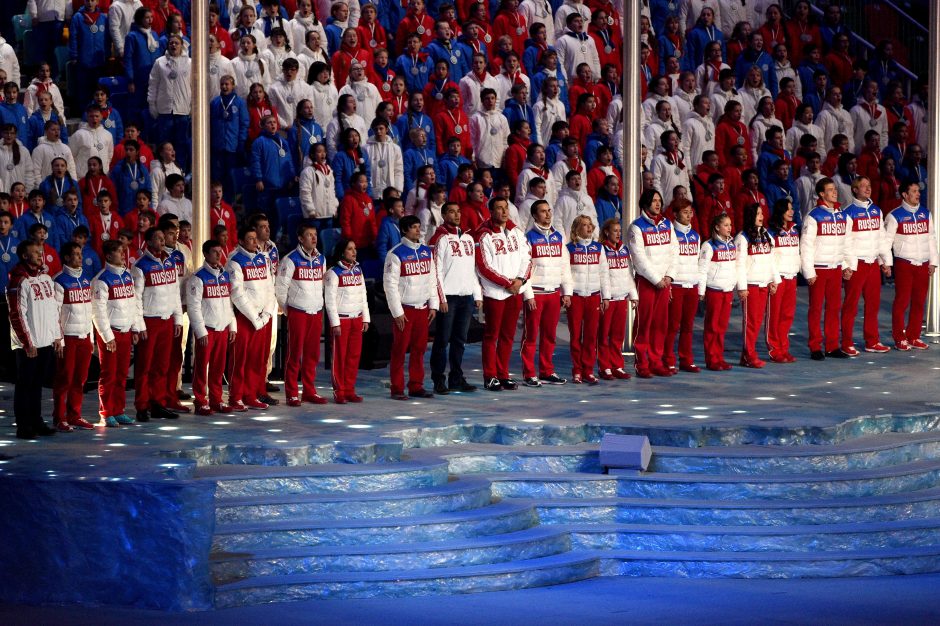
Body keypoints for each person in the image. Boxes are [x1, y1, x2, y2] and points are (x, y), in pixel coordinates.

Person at [475, 196, 530, 391]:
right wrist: (508, 283)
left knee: (508, 336)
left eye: (505, 207)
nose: (504, 211)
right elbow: (483, 267)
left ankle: (503, 374)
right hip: (495, 293)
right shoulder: (484, 235)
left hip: (514, 291)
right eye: (499, 208)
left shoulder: (516, 231)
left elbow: (527, 258)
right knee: (492, 335)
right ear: (491, 212)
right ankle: (490, 376)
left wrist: (520, 281)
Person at [7, 240, 61, 439]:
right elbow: (17, 315)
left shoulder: (46, 278)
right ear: (24, 256)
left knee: (37, 384)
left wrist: (56, 335)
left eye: (41, 251)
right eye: (36, 252)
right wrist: (27, 342)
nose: (40, 255)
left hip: (45, 341)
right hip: (28, 344)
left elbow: (52, 309)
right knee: (25, 386)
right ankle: (24, 426)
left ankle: (36, 421)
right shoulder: (19, 281)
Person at [132, 227, 184, 422]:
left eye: (164, 238)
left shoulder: (170, 262)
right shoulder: (140, 266)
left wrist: (177, 318)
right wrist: (140, 325)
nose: (163, 241)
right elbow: (136, 298)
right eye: (158, 238)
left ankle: (158, 404)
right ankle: (142, 406)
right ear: (148, 242)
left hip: (167, 320)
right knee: (145, 366)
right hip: (149, 321)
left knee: (162, 366)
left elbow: (175, 292)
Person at [383, 215, 438, 400]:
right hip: (405, 310)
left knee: (420, 348)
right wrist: (397, 312)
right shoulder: (395, 254)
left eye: (418, 226)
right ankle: (397, 388)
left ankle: (416, 385)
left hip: (422, 309)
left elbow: (432, 279)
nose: (418, 230)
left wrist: (433, 305)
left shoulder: (425, 251)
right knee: (399, 349)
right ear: (405, 230)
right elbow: (390, 285)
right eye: (414, 227)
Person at [428, 202, 481, 394]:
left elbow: (472, 268)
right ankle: (438, 379)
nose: (457, 215)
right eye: (452, 212)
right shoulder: (439, 238)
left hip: (466, 297)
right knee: (442, 340)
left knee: (460, 340)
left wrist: (477, 293)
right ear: (443, 215)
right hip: (448, 297)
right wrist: (440, 298)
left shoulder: (467, 237)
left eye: (459, 211)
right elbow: (436, 271)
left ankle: (456, 378)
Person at [882, 182, 939, 351]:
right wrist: (886, 263)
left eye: (918, 191)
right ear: (905, 195)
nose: (918, 194)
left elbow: (931, 238)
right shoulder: (894, 216)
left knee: (919, 301)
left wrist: (933, 261)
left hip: (922, 264)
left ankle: (914, 336)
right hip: (904, 264)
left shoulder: (925, 213)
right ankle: (899, 337)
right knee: (902, 301)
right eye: (913, 191)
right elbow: (886, 242)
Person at [519, 199, 571, 387]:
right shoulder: (528, 238)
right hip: (537, 295)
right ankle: (529, 373)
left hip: (554, 293)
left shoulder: (558, 237)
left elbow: (564, 266)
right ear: (534, 215)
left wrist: (567, 291)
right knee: (531, 335)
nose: (548, 214)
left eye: (549, 210)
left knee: (549, 335)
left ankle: (547, 371)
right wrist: (529, 295)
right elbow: (524, 268)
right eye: (543, 211)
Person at [627, 189, 678, 378]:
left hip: (665, 282)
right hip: (647, 282)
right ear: (645, 203)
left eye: (659, 200)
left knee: (660, 323)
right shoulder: (636, 227)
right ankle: (642, 363)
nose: (657, 204)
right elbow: (638, 258)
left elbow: (674, 250)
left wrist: (669, 277)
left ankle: (656, 361)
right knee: (644, 323)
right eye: (654, 200)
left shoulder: (667, 224)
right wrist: (656, 279)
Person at [276, 223, 328, 406]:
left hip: (316, 312)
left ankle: (309, 390)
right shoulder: (290, 260)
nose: (314, 238)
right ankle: (291, 393)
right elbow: (280, 289)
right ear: (300, 238)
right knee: (294, 353)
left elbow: (321, 286)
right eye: (309, 235)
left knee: (312, 354)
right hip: (298, 312)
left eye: (315, 234)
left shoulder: (321, 259)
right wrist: (288, 310)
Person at [226, 225, 275, 410]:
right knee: (240, 360)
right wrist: (255, 318)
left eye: (256, 238)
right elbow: (237, 293)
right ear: (241, 241)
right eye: (251, 239)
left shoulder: (263, 259)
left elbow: (270, 287)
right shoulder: (234, 261)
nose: (255, 242)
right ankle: (236, 396)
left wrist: (267, 313)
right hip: (245, 318)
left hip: (262, 318)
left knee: (257, 359)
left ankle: (251, 394)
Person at [186, 239, 237, 415]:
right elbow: (193, 307)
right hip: (207, 329)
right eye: (214, 252)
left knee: (218, 367)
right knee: (201, 367)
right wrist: (200, 331)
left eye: (219, 251)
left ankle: (216, 400)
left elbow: (229, 303)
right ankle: (200, 401)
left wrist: (232, 326)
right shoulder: (197, 278)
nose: (218, 254)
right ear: (205, 254)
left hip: (222, 328)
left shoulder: (224, 275)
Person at [841, 176, 890, 356]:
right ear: (854, 189)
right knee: (851, 305)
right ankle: (846, 342)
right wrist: (846, 265)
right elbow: (844, 242)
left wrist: (885, 261)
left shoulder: (877, 211)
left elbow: (882, 238)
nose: (867, 189)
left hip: (873, 264)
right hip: (856, 264)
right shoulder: (848, 212)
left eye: (869, 185)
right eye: (863, 186)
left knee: (873, 304)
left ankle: (872, 341)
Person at [801, 177, 848, 360]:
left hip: (835, 268)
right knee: (816, 308)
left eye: (835, 189)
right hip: (819, 269)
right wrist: (809, 271)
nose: (834, 192)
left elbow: (845, 243)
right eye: (830, 189)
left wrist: (845, 265)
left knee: (834, 307)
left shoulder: (841, 214)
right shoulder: (814, 216)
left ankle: (832, 345)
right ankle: (815, 346)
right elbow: (805, 245)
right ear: (822, 193)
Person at [325, 237, 370, 403]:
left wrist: (365, 318)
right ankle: (340, 391)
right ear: (342, 252)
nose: (354, 252)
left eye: (355, 248)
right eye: (350, 249)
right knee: (340, 357)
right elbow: (329, 300)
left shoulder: (358, 270)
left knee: (353, 356)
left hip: (356, 319)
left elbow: (363, 295)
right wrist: (335, 323)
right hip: (342, 321)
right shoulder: (333, 273)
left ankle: (350, 389)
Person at [566, 214, 609, 384]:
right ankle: (577, 370)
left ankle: (588, 370)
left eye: (590, 224)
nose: (589, 228)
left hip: (593, 296)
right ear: (577, 228)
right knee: (576, 335)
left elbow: (604, 274)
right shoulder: (569, 248)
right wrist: (567, 294)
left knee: (591, 336)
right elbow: (566, 273)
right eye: (584, 225)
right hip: (576, 297)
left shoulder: (599, 248)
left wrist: (605, 296)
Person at [736, 202, 780, 368]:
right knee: (751, 322)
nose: (761, 217)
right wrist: (742, 287)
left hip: (763, 284)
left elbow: (771, 260)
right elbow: (739, 264)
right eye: (758, 214)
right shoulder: (742, 238)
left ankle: (745, 355)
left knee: (757, 321)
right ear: (750, 216)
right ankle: (749, 355)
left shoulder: (766, 235)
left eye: (762, 213)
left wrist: (773, 280)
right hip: (750, 285)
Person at [697, 213, 740, 371]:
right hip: (714, 290)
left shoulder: (732, 244)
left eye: (730, 224)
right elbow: (702, 270)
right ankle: (711, 358)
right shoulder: (708, 246)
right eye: (726, 225)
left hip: (727, 291)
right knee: (712, 326)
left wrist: (733, 284)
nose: (729, 228)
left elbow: (733, 266)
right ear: (717, 227)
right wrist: (701, 292)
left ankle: (719, 357)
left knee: (722, 326)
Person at [664, 200, 701, 374]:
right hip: (677, 284)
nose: (689, 215)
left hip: (691, 285)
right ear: (676, 214)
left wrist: (699, 285)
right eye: (685, 212)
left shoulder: (695, 235)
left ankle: (686, 359)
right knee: (672, 325)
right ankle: (667, 359)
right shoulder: (670, 234)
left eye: (690, 212)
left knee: (688, 325)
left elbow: (698, 261)